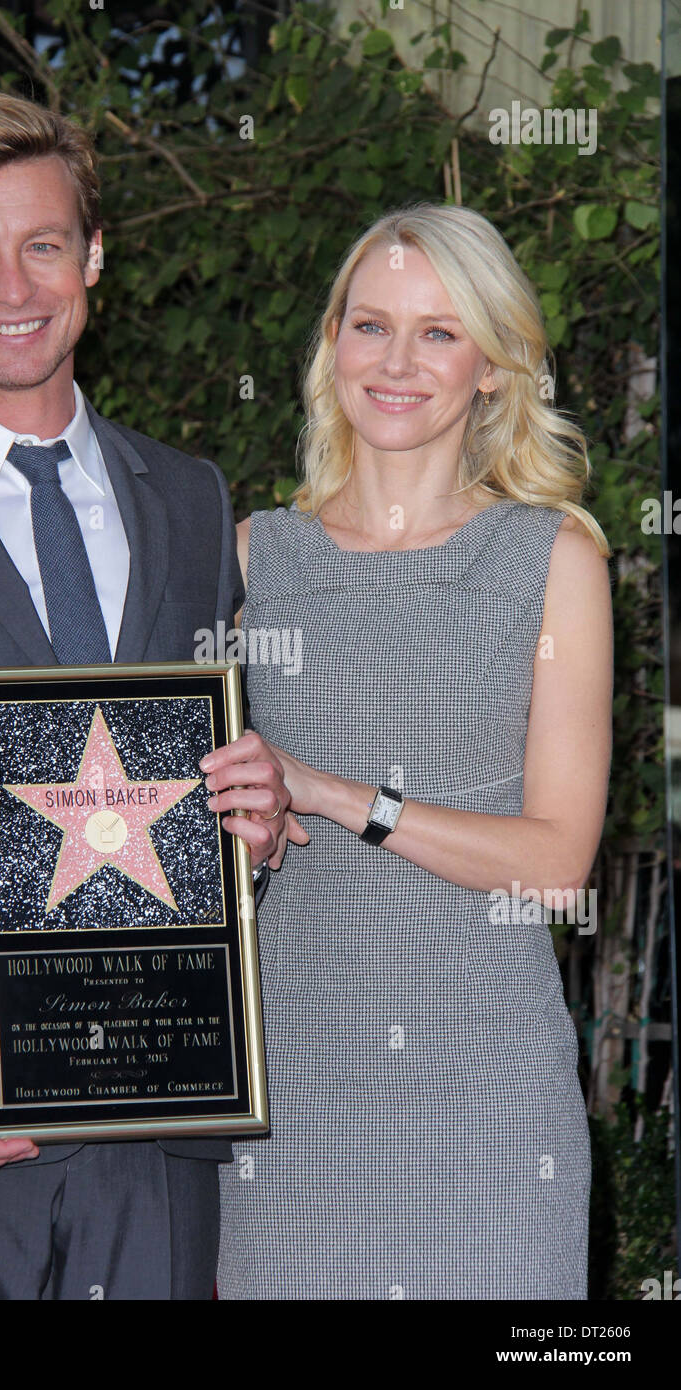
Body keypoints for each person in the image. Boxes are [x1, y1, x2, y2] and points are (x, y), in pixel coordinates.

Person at [0, 88, 289, 1301]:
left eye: (40, 245)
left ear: (92, 257)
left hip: (158, 1142)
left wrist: (255, 815)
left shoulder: (185, 498)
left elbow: (199, 787)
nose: (11, 287)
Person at [205, 203, 613, 1299]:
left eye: (437, 332)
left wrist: (335, 795)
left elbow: (554, 863)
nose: (396, 362)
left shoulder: (548, 558)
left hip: (487, 1102)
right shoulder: (249, 557)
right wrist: (245, 832)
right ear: (330, 343)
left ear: (490, 365)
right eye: (369, 324)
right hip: (291, 1092)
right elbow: (200, 851)